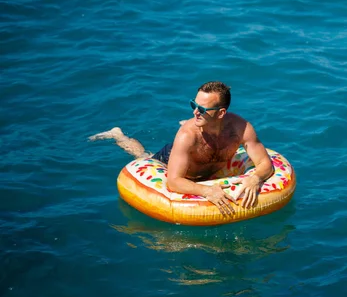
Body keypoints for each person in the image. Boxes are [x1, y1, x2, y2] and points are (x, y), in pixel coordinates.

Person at [89, 81, 274, 217]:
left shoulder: (241, 128)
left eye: (201, 109)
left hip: (208, 168)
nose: (195, 111)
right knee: (142, 155)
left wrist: (255, 178)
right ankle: (118, 135)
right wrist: (207, 191)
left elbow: (266, 163)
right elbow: (174, 182)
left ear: (221, 113)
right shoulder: (187, 135)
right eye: (193, 105)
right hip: (169, 159)